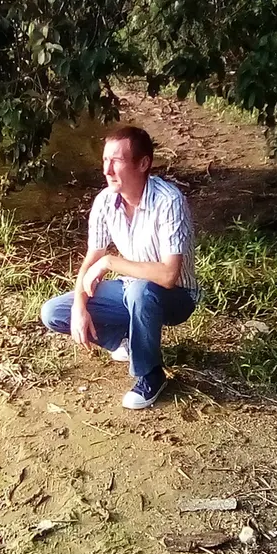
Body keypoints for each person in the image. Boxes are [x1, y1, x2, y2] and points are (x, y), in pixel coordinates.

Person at [41, 126, 199, 410]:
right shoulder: (105, 201)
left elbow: (168, 275)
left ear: (143, 163)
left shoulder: (169, 201)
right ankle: (126, 339)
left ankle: (151, 374)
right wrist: (79, 306)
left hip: (177, 296)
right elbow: (92, 257)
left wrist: (111, 262)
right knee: (54, 312)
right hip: (132, 288)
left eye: (116, 161)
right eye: (105, 160)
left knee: (141, 291)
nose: (107, 170)